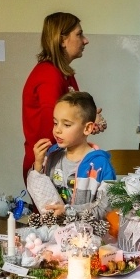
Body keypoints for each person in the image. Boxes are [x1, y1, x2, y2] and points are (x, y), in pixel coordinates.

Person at [22, 12, 105, 183]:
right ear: (61, 40)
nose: (85, 40)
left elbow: (73, 113)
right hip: (48, 162)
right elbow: (53, 128)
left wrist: (90, 118)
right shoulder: (49, 76)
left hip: (62, 160)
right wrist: (88, 122)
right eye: (79, 34)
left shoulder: (64, 73)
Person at [27, 91, 115, 220]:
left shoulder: (100, 165)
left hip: (87, 237)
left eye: (66, 125)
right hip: (54, 235)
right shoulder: (52, 157)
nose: (57, 130)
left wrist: (68, 211)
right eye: (55, 123)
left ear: (87, 128)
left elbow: (105, 209)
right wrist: (38, 165)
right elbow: (40, 191)